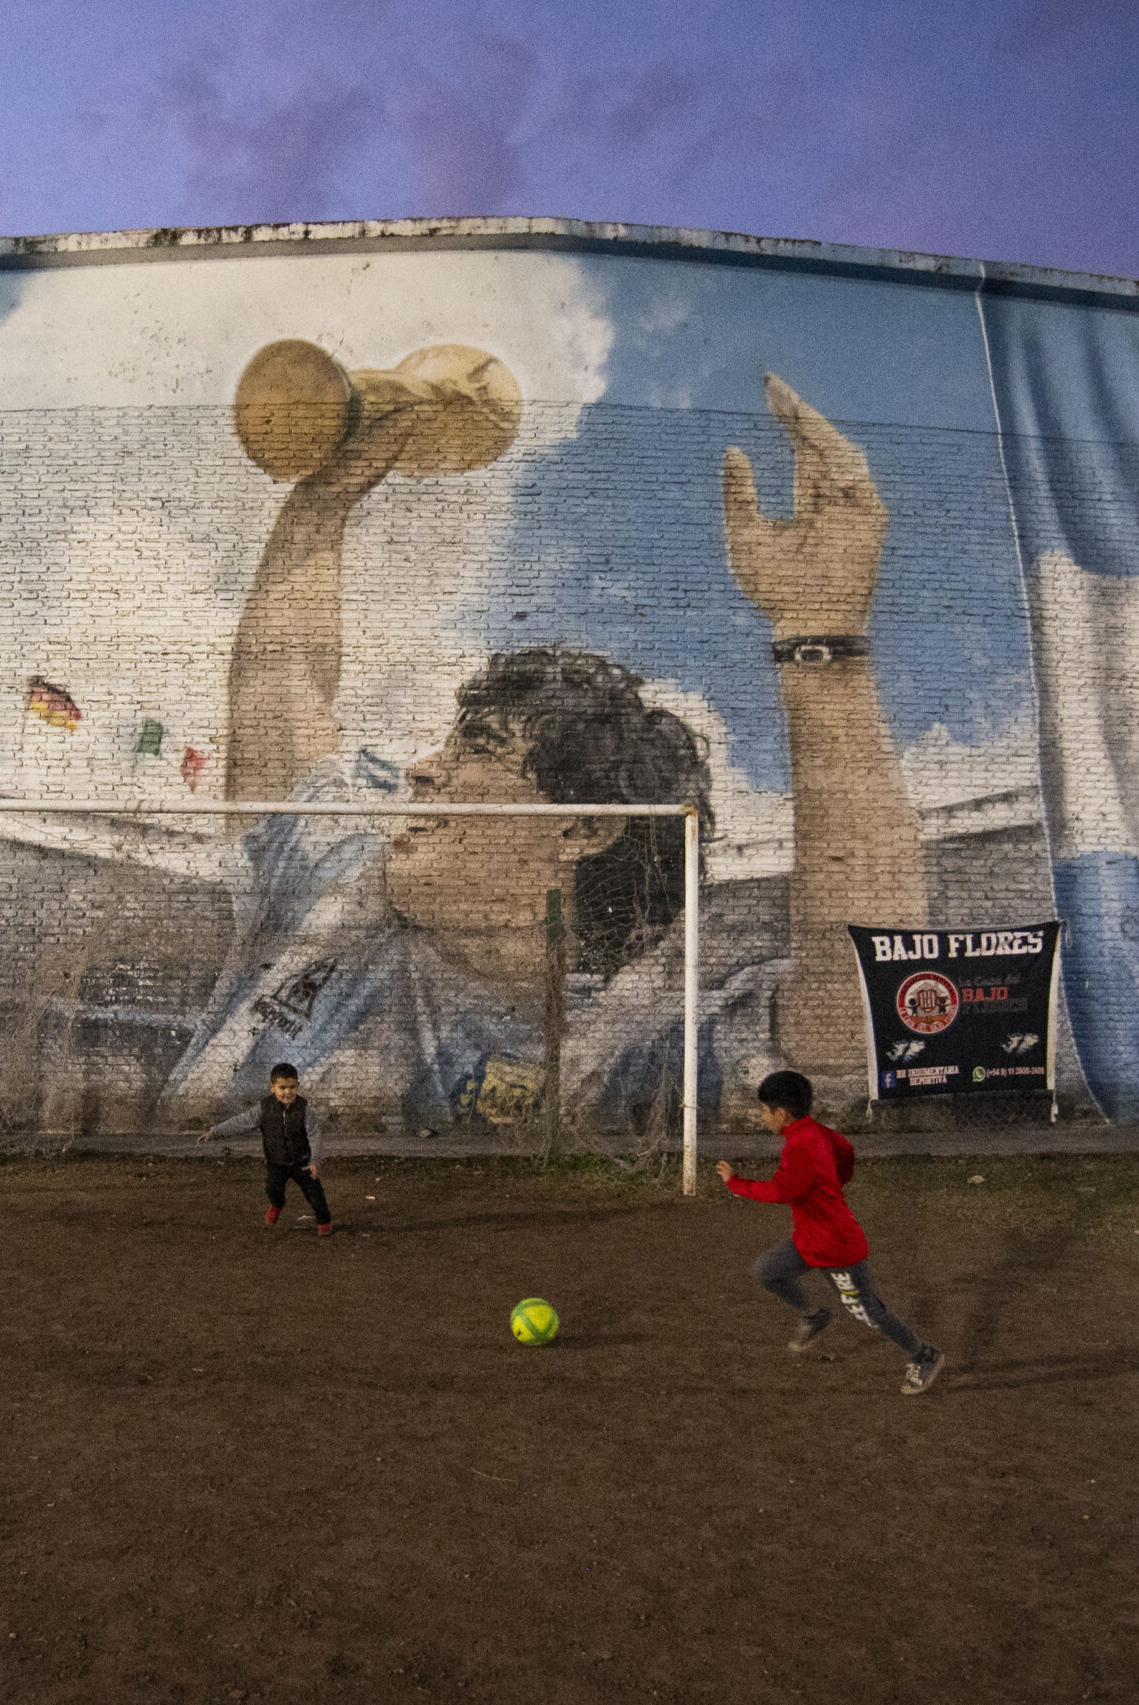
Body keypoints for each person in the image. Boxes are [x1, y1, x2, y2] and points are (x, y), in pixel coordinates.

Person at [165, 366, 929, 1132]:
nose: (425, 770)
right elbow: (282, 684)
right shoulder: (340, 866)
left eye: (479, 751)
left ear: (583, 825)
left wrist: (825, 638)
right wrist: (324, 498)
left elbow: (859, 1004)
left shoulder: (626, 1048)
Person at [715, 1069, 942, 1395]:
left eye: (764, 1111)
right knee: (767, 1270)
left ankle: (923, 1354)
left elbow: (781, 1191)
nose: (762, 1117)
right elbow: (846, 1151)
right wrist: (835, 1181)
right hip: (811, 1241)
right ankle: (814, 1315)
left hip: (836, 1249)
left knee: (869, 1313)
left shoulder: (799, 1147)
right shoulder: (814, 1132)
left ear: (781, 1113)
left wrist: (736, 1184)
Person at [200, 1061, 335, 1236]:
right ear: (272, 1087)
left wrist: (314, 1160)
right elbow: (240, 1122)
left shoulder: (303, 1109)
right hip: (276, 1162)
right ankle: (277, 1205)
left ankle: (324, 1222)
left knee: (315, 1194)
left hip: (302, 1162)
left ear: (298, 1086)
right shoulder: (263, 1108)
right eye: (283, 1087)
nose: (288, 1092)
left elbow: (315, 1135)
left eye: (292, 1087)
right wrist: (214, 1132)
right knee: (273, 1189)